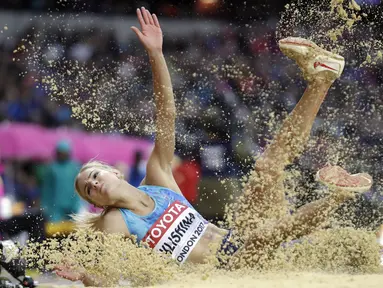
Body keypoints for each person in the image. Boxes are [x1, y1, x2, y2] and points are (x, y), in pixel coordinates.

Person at [54, 8, 372, 286]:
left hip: (243, 243)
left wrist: (156, 55)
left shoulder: (158, 179)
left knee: (267, 168)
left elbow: (167, 116)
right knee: (263, 235)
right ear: (95, 203)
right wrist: (86, 278)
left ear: (111, 170)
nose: (94, 183)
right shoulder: (115, 221)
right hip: (228, 270)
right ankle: (336, 197)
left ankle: (321, 80)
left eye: (94, 175)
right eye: (88, 189)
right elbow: (109, 279)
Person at [40, 140, 82, 223]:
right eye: (60, 152)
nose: (63, 155)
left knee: (73, 231)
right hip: (55, 206)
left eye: (65, 152)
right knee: (55, 231)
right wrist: (45, 205)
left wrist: (79, 203)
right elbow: (47, 188)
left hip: (73, 205)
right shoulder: (52, 168)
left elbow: (79, 186)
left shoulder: (75, 167)